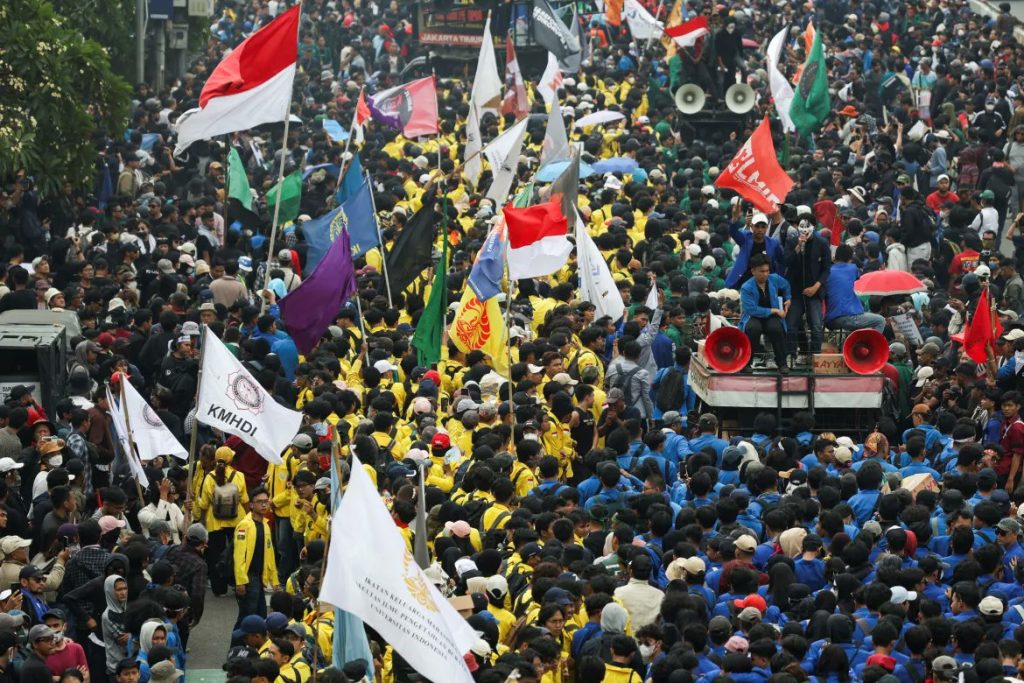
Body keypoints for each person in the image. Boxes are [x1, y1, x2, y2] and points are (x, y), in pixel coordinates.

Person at [233, 486, 279, 626]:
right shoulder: (244, 525)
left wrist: (274, 580)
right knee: (247, 618)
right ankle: (236, 646)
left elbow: (269, 554)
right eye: (259, 502)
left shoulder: (265, 525)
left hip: (259, 578)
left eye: (266, 501)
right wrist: (240, 581)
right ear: (251, 505)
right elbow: (239, 555)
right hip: (248, 578)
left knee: (260, 616)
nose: (264, 504)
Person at [740, 254, 792, 371]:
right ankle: (747, 362)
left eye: (767, 271)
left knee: (776, 328)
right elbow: (751, 310)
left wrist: (788, 299)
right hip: (753, 316)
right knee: (753, 328)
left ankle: (782, 363)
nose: (765, 274)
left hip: (772, 317)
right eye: (761, 271)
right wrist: (773, 310)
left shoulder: (775, 279)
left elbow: (787, 286)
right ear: (753, 271)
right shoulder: (746, 287)